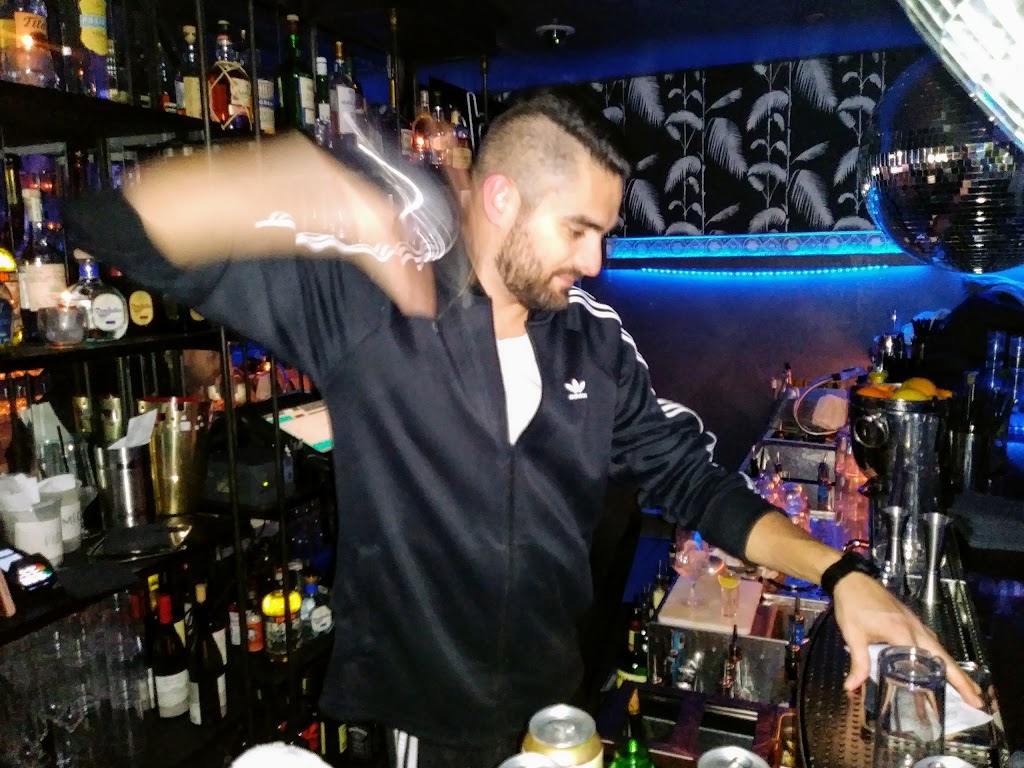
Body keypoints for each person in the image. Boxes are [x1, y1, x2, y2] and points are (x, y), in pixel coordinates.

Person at [67, 88, 982, 768]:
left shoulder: (596, 344)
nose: (598, 259)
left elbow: (696, 483)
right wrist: (310, 184)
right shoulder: (369, 306)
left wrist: (843, 574)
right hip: (420, 725)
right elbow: (117, 226)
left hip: (553, 714)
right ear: (501, 199)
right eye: (580, 229)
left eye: (604, 233)